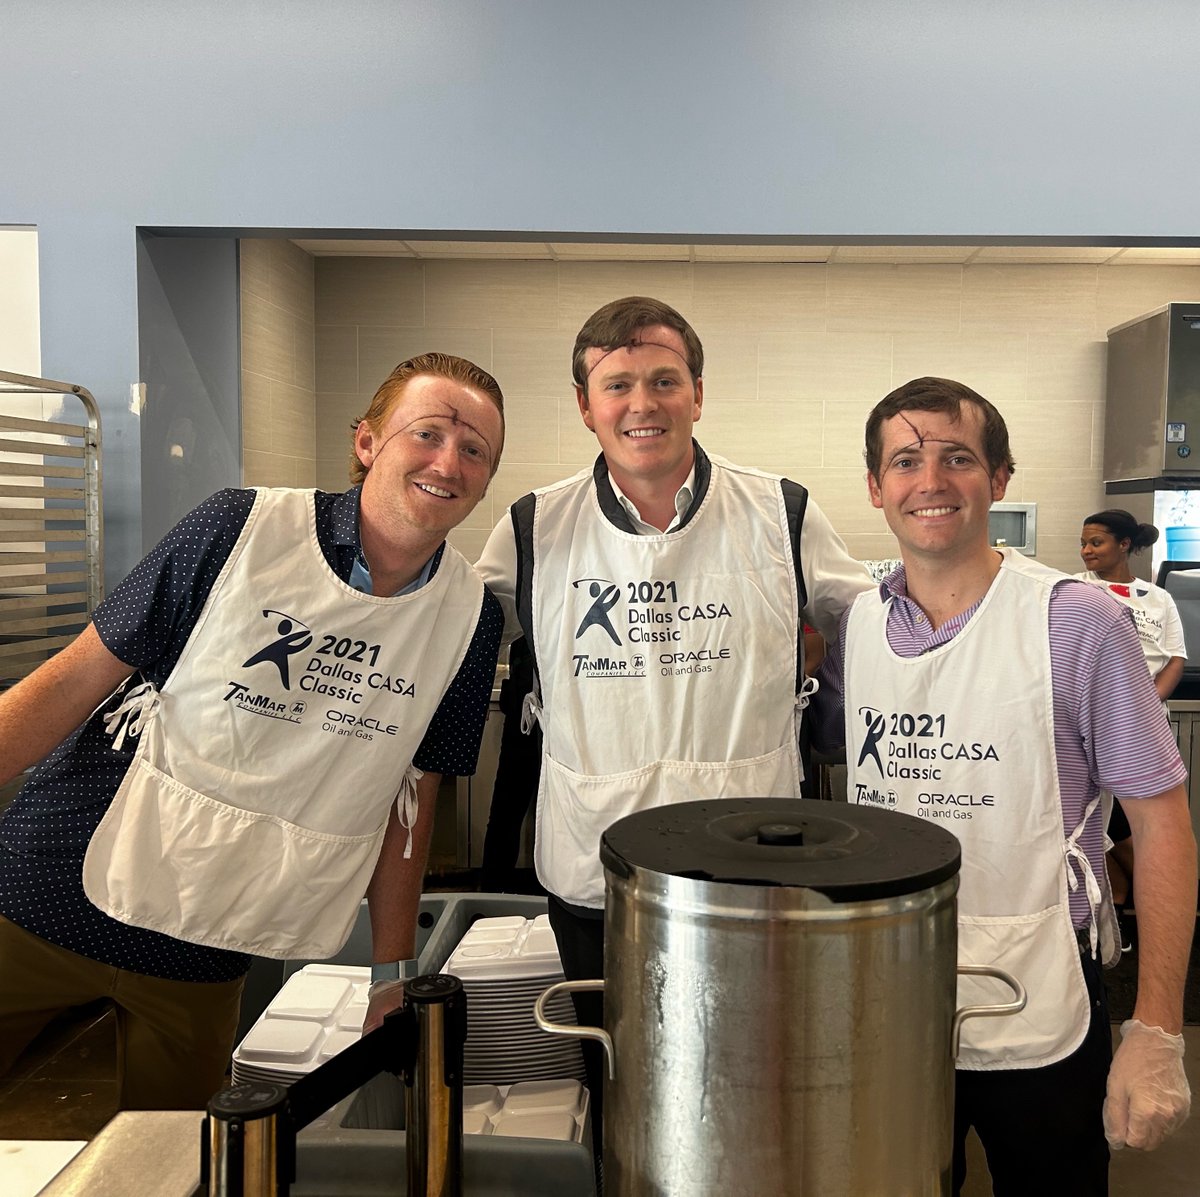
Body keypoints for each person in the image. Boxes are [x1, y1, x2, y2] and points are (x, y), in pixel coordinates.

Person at [0, 352, 506, 1108]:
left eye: (474, 450)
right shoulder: (239, 527)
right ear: (367, 441)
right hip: (47, 887)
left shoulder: (470, 619)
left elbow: (411, 808)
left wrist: (390, 978)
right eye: (427, 433)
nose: (448, 462)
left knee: (172, 1163)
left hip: (212, 938)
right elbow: (68, 684)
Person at [474, 295, 874, 1148]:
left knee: (752, 1078)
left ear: (699, 392)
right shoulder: (533, 526)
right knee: (618, 1079)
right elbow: (442, 635)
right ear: (586, 405)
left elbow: (880, 627)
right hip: (593, 866)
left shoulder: (780, 512)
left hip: (754, 863)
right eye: (617, 384)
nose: (642, 403)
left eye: (664, 379)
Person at [813, 377, 1195, 1195]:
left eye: (958, 457)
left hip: (1042, 991)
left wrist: (1157, 1026)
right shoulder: (862, 629)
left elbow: (1162, 827)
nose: (932, 480)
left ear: (1000, 477)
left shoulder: (1077, 621)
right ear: (877, 488)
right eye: (906, 460)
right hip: (890, 993)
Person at [1077, 508, 1188, 937]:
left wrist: (1142, 704)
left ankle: (1143, 909)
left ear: (1124, 545)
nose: (1086, 551)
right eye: (1083, 543)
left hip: (1145, 727)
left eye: (1096, 543)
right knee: (1100, 824)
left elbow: (1175, 658)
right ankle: (1122, 909)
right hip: (1093, 724)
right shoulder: (1074, 592)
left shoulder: (1158, 599)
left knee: (1137, 826)